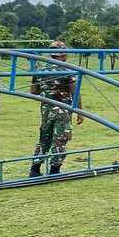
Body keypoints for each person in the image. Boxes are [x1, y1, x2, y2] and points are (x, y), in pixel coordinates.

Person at [28, 42, 83, 177]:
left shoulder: (40, 70)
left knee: (44, 139)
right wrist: (80, 112)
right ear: (64, 55)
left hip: (46, 109)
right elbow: (75, 93)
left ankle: (35, 169)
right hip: (62, 109)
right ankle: (54, 170)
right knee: (60, 139)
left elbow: (33, 91)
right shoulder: (66, 70)